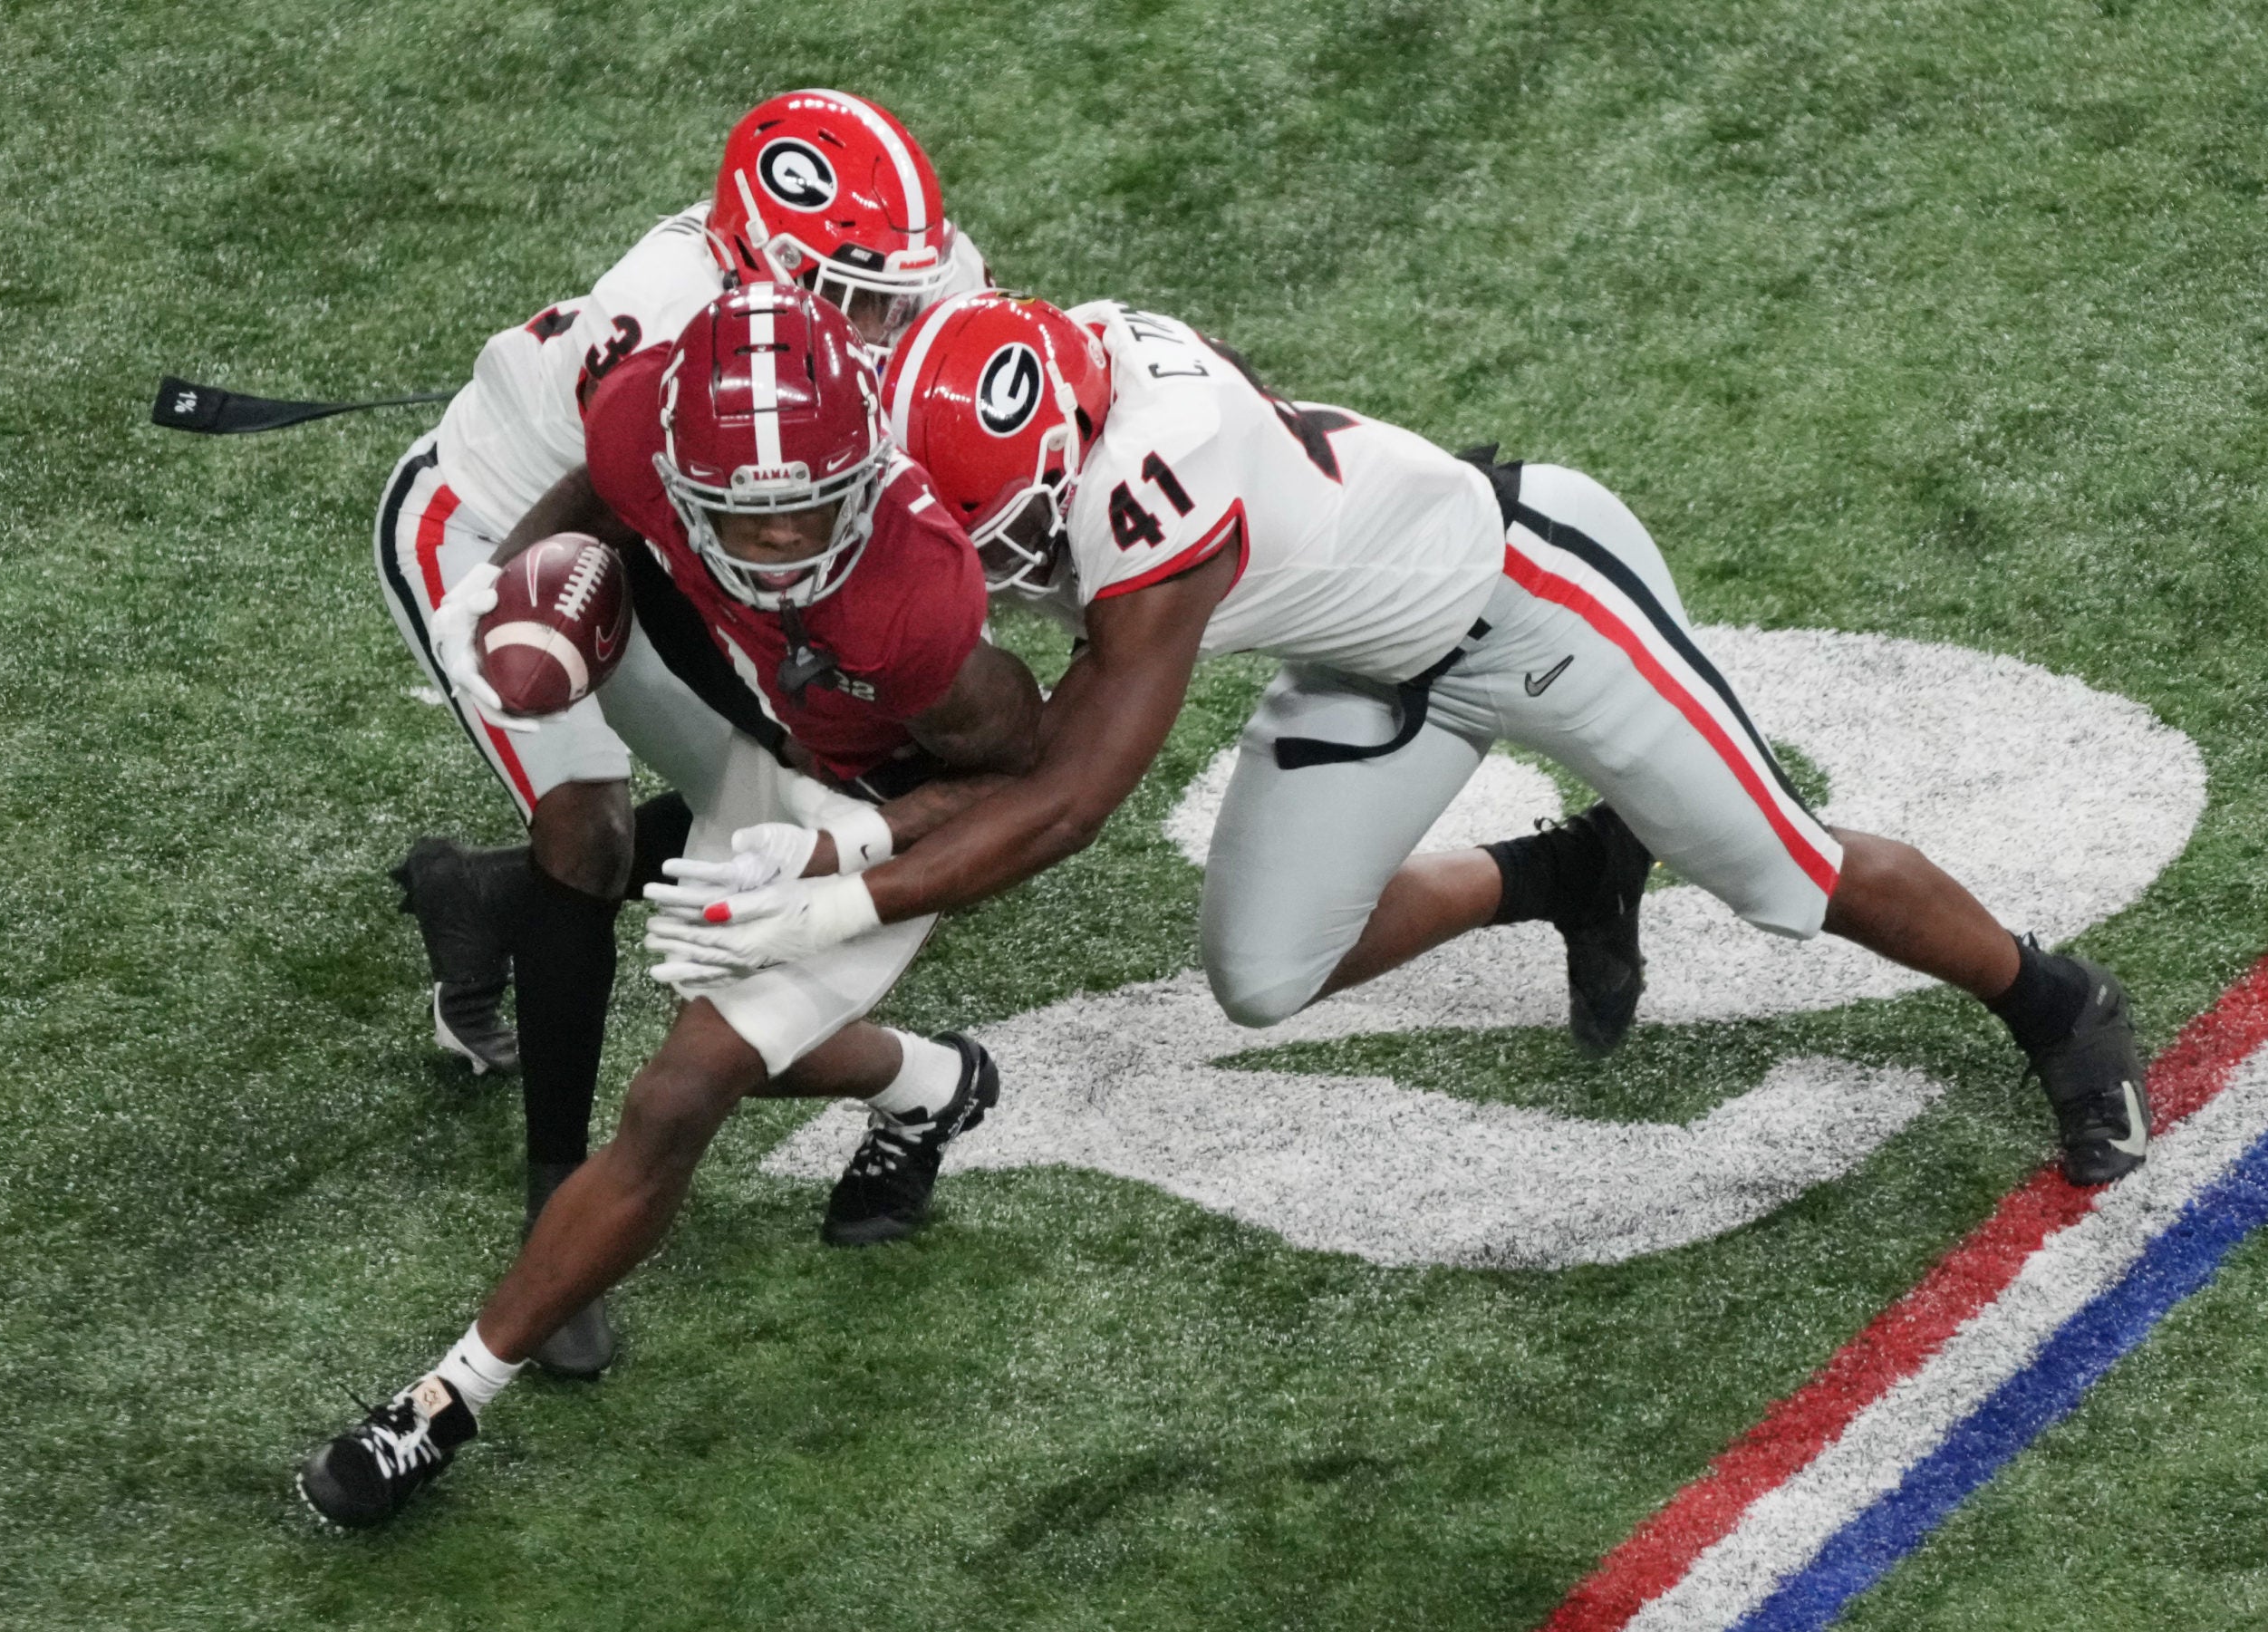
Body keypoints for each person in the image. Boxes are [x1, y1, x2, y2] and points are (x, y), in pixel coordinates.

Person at [661, 292, 2153, 1195]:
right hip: (1373, 659)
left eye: (1004, 536)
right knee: (1262, 969)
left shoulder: (1151, 509)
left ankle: (2056, 1002)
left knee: (1782, 869)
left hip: (1534, 598)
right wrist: (851, 842)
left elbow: (1060, 796)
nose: (982, 565)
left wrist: (847, 886)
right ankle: (1569, 875)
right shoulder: (1029, 375)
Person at [298, 284, 1044, 1531]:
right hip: (763, 717)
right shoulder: (650, 418)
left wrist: (851, 848)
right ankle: (932, 1084)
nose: (776, 544)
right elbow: (603, 477)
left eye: (806, 507)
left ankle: (441, 1401)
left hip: (884, 800)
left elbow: (1018, 781)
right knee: (681, 965)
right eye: (742, 519)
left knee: (677, 1091)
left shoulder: (918, 613)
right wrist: (509, 575)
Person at [372, 89, 990, 1375]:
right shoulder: (660, 311)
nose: (890, 321)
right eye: (853, 294)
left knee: (786, 806)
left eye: (897, 291)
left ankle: (484, 899)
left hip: (706, 534)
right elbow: (629, 523)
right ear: (763, 260)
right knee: (591, 828)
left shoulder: (906, 296)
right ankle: (555, 1192)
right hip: (517, 536)